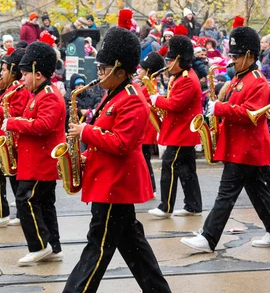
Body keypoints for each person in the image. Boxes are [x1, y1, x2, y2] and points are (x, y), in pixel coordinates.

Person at [64, 26, 170, 293]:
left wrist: (85, 131)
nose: (98, 74)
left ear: (120, 71)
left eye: (103, 69)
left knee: (97, 248)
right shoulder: (114, 94)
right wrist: (85, 157)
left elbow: (121, 143)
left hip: (116, 184)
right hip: (107, 180)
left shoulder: (133, 100)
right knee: (134, 248)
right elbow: (106, 140)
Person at [180, 26, 270, 253]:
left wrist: (219, 108)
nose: (232, 60)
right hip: (240, 145)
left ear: (250, 55)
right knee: (258, 192)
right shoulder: (240, 78)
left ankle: (209, 237)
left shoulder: (258, 81)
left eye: (236, 56)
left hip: (246, 148)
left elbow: (251, 114)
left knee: (225, 194)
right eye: (231, 55)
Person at [3, 41, 66, 265]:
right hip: (37, 160)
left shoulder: (48, 95)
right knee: (45, 204)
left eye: (24, 74)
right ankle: (54, 246)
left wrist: (13, 124)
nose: (21, 80)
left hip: (41, 162)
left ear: (37, 74)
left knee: (25, 200)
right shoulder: (40, 92)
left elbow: (43, 126)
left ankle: (39, 245)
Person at [148, 35, 203, 218]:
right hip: (181, 131)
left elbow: (175, 104)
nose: (168, 63)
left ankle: (166, 206)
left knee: (169, 166)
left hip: (182, 132)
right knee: (187, 170)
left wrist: (157, 99)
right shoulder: (180, 76)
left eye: (171, 60)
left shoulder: (187, 79)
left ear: (180, 59)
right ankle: (193, 205)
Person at [0, 49, 31, 228]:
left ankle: (1, 214)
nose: (1, 73)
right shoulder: (10, 88)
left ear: (13, 71)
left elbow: (15, 113)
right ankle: (20, 213)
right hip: (3, 136)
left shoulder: (19, 88)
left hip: (11, 137)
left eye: (4, 69)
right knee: (12, 176)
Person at [135, 51, 166, 195]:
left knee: (144, 159)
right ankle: (149, 186)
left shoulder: (148, 86)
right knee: (144, 158)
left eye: (141, 68)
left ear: (147, 71)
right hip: (145, 127)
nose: (138, 70)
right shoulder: (145, 84)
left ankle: (149, 187)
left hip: (146, 128)